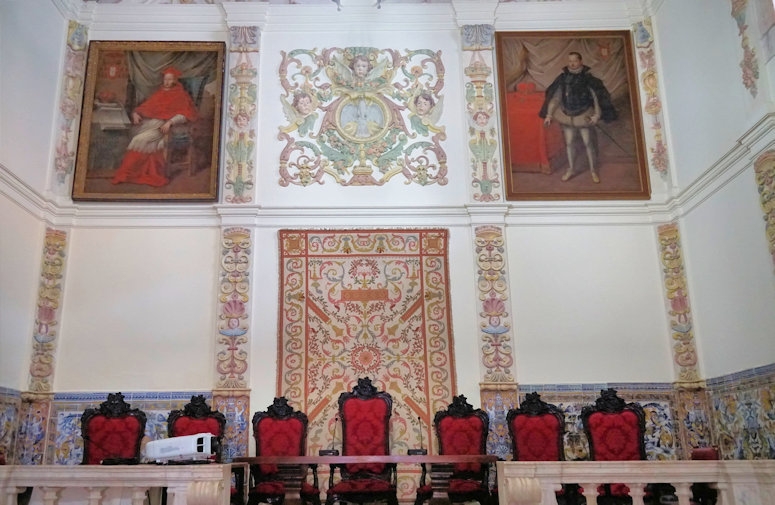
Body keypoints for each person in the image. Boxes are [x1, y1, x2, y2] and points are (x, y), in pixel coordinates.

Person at [111, 66, 199, 187]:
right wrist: (135, 113)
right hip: (151, 124)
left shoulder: (181, 95)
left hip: (166, 127)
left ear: (175, 80)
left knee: (138, 140)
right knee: (142, 139)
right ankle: (139, 172)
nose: (167, 82)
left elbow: (186, 114)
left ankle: (127, 173)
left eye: (170, 79)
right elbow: (146, 106)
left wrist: (170, 122)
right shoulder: (160, 92)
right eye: (165, 79)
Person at [539, 52, 616, 183]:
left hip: (584, 115)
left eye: (575, 61)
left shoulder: (588, 78)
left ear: (580, 61)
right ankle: (571, 169)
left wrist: (597, 115)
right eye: (570, 61)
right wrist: (549, 114)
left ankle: (593, 170)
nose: (572, 63)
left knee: (588, 143)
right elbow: (556, 98)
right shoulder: (563, 78)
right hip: (567, 116)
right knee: (569, 143)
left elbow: (596, 98)